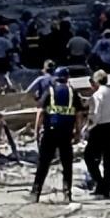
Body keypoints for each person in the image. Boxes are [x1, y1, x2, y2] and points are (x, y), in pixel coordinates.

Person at [29, 67, 79, 202]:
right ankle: (67, 193)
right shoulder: (72, 92)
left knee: (43, 163)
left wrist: (36, 131)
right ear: (67, 78)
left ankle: (35, 193)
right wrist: (78, 131)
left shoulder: (49, 91)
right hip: (66, 132)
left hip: (50, 132)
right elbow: (78, 114)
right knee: (67, 164)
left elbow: (40, 112)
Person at [84, 70, 110, 197]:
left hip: (100, 128)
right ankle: (109, 186)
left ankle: (100, 183)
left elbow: (95, 115)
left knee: (89, 156)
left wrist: (87, 128)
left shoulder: (98, 95)